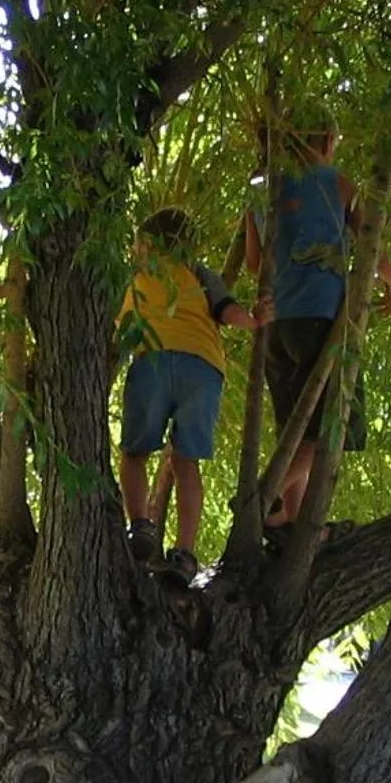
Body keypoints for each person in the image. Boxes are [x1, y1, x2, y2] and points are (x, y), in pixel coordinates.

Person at [241, 119, 391, 544]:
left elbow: (254, 264)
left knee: (296, 429)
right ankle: (262, 497)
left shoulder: (259, 190)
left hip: (277, 327)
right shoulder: (336, 183)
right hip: (322, 318)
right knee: (333, 427)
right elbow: (368, 241)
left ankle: (287, 525)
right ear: (328, 140)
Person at [119, 208, 269, 582]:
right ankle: (185, 553)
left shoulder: (133, 276)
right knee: (186, 462)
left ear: (146, 243)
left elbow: (113, 324)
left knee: (134, 453)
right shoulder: (200, 274)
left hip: (152, 360)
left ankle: (140, 526)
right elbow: (227, 310)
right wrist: (254, 320)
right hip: (202, 367)